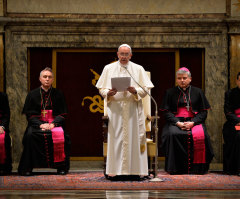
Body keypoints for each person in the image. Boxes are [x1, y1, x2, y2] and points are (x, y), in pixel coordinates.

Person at [96, 44, 154, 180]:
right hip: (115, 110)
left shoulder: (138, 69)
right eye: (121, 54)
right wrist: (108, 92)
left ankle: (136, 171)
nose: (123, 57)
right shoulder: (108, 68)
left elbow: (146, 88)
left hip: (133, 109)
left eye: (126, 54)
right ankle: (114, 171)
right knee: (116, 139)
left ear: (130, 55)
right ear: (117, 54)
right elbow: (101, 88)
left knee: (134, 138)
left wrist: (136, 91)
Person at [160, 67, 214, 175]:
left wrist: (193, 122)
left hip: (194, 121)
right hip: (176, 121)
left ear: (190, 79)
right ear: (176, 80)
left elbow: (203, 112)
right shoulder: (170, 92)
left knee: (204, 136)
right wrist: (178, 123)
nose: (182, 80)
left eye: (184, 78)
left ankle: (198, 169)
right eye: (179, 78)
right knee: (172, 134)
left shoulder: (198, 92)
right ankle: (175, 168)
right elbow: (167, 112)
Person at [18, 67, 70, 176]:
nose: (47, 79)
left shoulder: (59, 94)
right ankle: (27, 167)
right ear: (40, 79)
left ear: (53, 80)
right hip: (37, 124)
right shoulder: (32, 94)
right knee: (29, 136)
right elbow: (30, 115)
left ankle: (61, 167)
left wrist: (52, 124)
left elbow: (63, 114)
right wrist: (41, 124)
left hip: (54, 124)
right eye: (45, 77)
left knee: (63, 136)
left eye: (49, 77)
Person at [223, 72, 240, 176]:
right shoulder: (230, 93)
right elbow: (228, 112)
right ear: (237, 81)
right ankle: (237, 168)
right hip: (234, 122)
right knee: (239, 135)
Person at [0, 92, 12, 175]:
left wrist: (2, 126)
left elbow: (6, 114)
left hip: (0, 127)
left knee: (3, 138)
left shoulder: (2, 96)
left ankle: (3, 167)